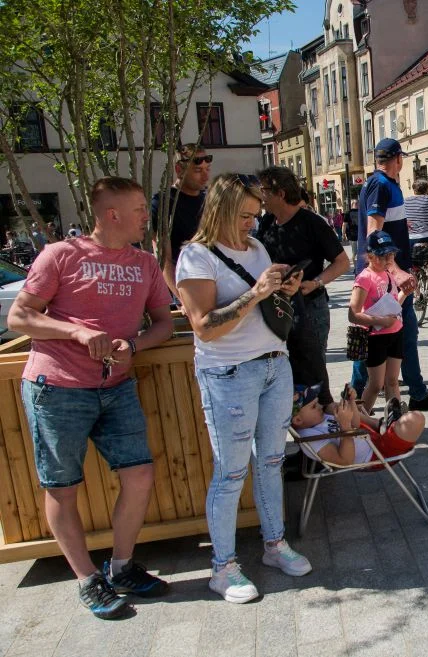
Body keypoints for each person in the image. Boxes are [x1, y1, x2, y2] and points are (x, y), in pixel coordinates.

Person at [8, 176, 174, 619]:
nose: (146, 216)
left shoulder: (144, 263)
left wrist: (134, 345)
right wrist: (77, 332)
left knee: (139, 475)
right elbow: (20, 316)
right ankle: (86, 579)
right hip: (56, 388)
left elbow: (163, 323)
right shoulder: (61, 254)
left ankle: (120, 568)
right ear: (111, 213)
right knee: (62, 487)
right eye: (139, 208)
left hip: (116, 387)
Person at [176, 173, 312, 604]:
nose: (252, 224)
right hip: (229, 374)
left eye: (255, 215)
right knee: (231, 472)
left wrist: (282, 288)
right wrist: (256, 292)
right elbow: (204, 327)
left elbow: (263, 303)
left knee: (271, 462)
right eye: (244, 216)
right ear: (220, 211)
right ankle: (224, 567)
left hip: (274, 365)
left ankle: (275, 545)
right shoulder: (196, 257)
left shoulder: (256, 248)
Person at [353, 138, 428, 412]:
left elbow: (384, 227)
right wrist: (395, 271)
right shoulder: (380, 184)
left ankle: (417, 393)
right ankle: (353, 399)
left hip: (391, 275)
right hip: (380, 279)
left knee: (405, 333)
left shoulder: (390, 185)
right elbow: (374, 233)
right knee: (373, 338)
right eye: (402, 158)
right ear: (398, 159)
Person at [256, 166, 350, 406]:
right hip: (276, 309)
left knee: (313, 371)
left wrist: (316, 282)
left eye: (264, 190)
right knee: (289, 372)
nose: (260, 195)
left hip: (309, 307)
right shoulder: (267, 222)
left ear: (280, 193)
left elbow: (342, 262)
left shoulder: (311, 222)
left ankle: (326, 422)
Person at [292, 384, 424, 466]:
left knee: (412, 419)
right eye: (314, 406)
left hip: (375, 439)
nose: (320, 406)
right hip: (377, 455)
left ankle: (391, 423)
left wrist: (351, 402)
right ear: (298, 420)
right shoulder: (309, 438)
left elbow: (355, 424)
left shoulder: (319, 419)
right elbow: (345, 461)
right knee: (416, 418)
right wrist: (344, 426)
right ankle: (392, 422)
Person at [349, 231, 407, 412]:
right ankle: (361, 423)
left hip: (395, 332)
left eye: (390, 256)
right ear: (370, 255)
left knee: (392, 382)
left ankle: (394, 424)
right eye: (382, 257)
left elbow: (392, 305)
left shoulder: (388, 274)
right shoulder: (365, 278)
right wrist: (380, 320)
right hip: (375, 337)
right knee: (375, 385)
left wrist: (405, 293)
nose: (387, 260)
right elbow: (353, 314)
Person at [151, 144, 211, 299]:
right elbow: (164, 259)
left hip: (212, 282)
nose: (205, 176)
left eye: (207, 169)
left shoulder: (210, 200)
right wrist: (182, 298)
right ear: (179, 170)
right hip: (182, 287)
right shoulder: (163, 203)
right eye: (198, 171)